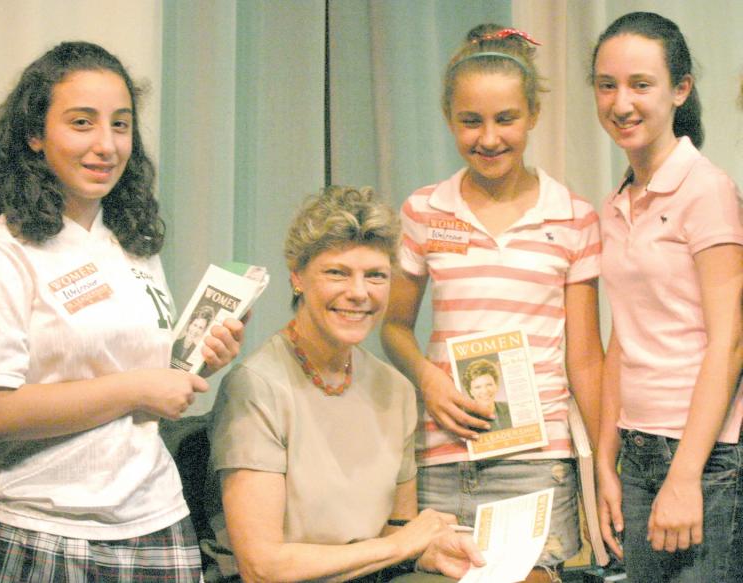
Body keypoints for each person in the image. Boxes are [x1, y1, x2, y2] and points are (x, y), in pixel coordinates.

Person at [0, 41, 244, 582]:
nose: (106, 145)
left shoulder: (131, 242)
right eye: (82, 123)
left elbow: (143, 382)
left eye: (121, 125)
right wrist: (137, 388)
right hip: (44, 529)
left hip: (157, 521)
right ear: (35, 135)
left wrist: (198, 362)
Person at [380, 24, 604, 583]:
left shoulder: (574, 217)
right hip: (440, 458)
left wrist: (606, 465)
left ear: (532, 115)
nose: (489, 137)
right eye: (470, 121)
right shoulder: (424, 210)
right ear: (449, 118)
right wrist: (429, 381)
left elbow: (586, 359)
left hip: (537, 460)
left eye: (506, 119)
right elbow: (394, 328)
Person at [210, 186, 484, 582]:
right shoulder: (256, 386)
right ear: (297, 277)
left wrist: (430, 552)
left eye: (375, 276)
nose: (358, 293)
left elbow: (395, 531)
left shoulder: (396, 389)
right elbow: (262, 566)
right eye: (337, 273)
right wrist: (401, 546)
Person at [590, 12, 743, 582]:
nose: (621, 102)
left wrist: (684, 476)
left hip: (706, 458)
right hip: (637, 451)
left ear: (680, 89)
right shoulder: (614, 204)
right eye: (607, 85)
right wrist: (605, 462)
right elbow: (620, 342)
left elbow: (729, 342)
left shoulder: (708, 190)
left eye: (640, 84)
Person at [461, 359, 511, 431]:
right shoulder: (466, 418)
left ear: (496, 386)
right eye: (478, 387)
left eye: (489, 385)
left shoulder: (509, 408)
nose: (485, 391)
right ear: (470, 391)